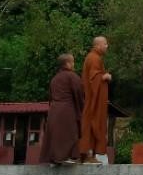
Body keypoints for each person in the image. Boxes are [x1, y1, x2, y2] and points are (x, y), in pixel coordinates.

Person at [39, 53, 84, 167]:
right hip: (67, 109)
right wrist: (81, 108)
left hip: (54, 110)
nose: (73, 64)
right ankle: (67, 157)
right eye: (72, 62)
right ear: (67, 63)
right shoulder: (72, 76)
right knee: (70, 133)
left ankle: (54, 159)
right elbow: (79, 94)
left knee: (55, 135)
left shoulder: (54, 79)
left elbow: (50, 96)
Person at [79, 35, 111, 164]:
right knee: (92, 123)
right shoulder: (93, 58)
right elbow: (94, 78)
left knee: (93, 123)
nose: (107, 46)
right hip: (93, 100)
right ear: (97, 45)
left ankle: (90, 154)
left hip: (94, 99)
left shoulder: (95, 57)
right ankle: (88, 154)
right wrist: (105, 77)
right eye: (105, 44)